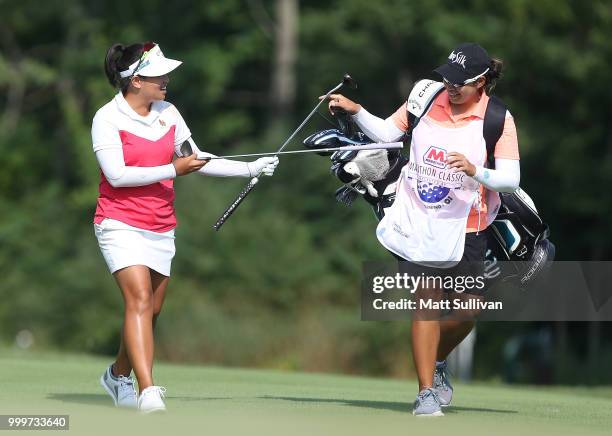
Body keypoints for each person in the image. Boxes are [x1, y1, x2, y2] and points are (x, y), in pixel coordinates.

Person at [325, 43, 520, 416]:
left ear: (481, 82)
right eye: (447, 77)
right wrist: (357, 111)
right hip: (418, 218)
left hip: (468, 226)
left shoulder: (497, 118)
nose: (450, 86)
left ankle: (437, 361)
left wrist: (475, 171)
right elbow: (387, 132)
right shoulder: (427, 95)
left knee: (467, 313)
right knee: (425, 306)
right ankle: (426, 392)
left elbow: (511, 179)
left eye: (460, 82)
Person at [93, 41, 279, 413]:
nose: (166, 80)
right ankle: (148, 390)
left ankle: (117, 374)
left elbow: (196, 159)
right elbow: (116, 176)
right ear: (135, 81)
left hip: (161, 224)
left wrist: (249, 168)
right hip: (119, 222)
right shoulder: (106, 119)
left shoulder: (169, 112)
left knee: (151, 310)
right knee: (140, 300)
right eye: (158, 75)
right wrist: (172, 170)